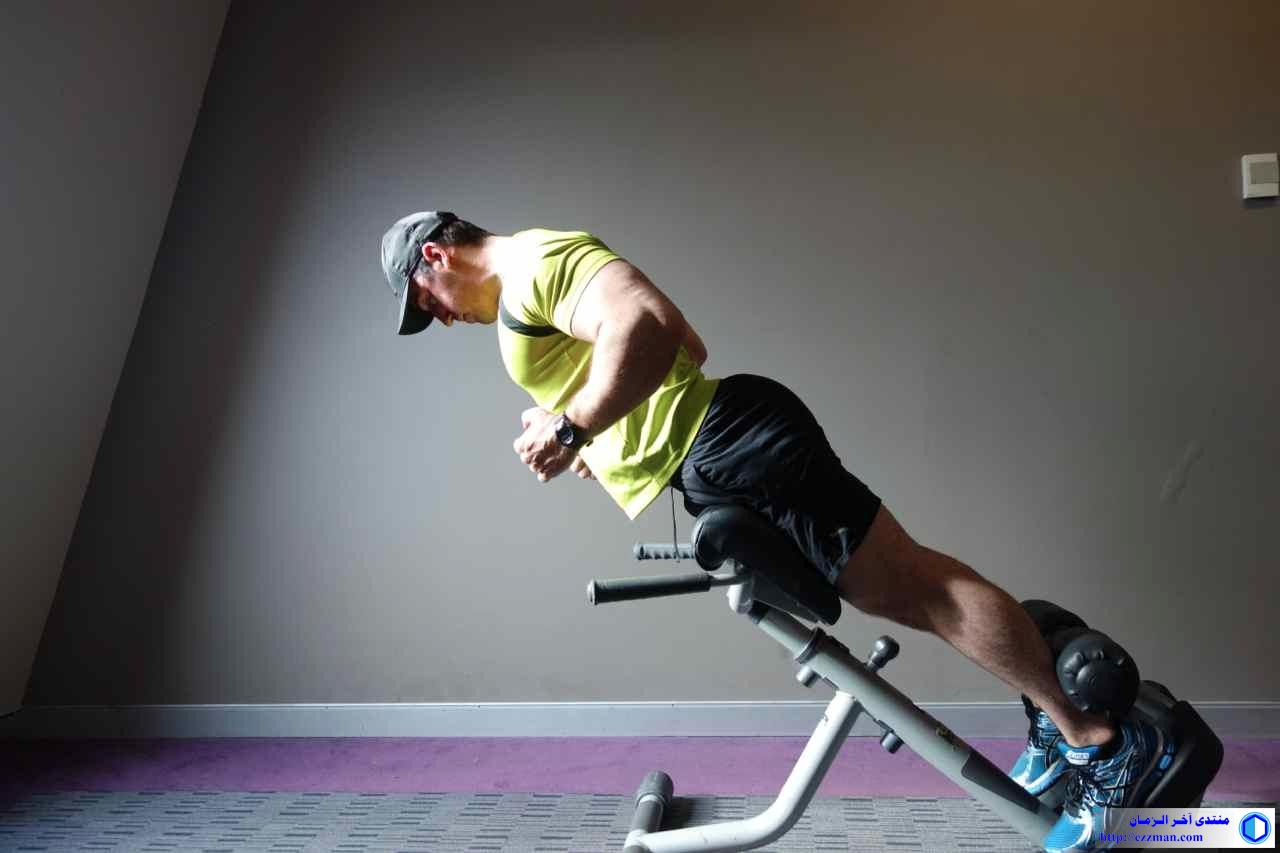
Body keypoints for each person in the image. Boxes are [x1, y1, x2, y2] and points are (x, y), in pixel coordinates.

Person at [378, 211, 1176, 851]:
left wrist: (574, 423)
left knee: (921, 587)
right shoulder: (531, 282)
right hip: (723, 450)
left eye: (425, 303)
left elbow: (649, 323)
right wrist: (596, 429)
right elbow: (684, 346)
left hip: (735, 442)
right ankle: (1059, 712)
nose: (439, 320)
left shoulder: (534, 267)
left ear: (434, 255)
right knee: (902, 593)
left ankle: (1101, 738)